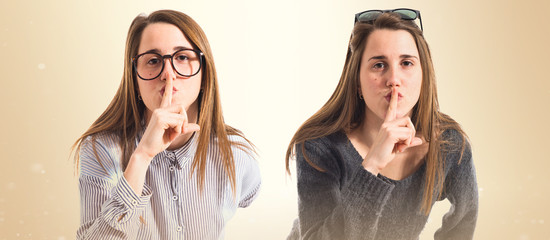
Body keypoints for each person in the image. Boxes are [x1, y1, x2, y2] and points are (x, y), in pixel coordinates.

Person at [285, 9, 478, 240]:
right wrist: (372, 166)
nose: (394, 79)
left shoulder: (449, 143)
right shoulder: (319, 145)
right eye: (378, 65)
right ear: (357, 80)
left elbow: (464, 221)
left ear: (424, 75)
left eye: (406, 63)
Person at [72, 10, 261, 239]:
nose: (168, 74)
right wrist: (141, 157)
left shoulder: (236, 154)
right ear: (134, 77)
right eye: (153, 61)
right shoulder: (101, 150)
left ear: (204, 71)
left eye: (182, 57)